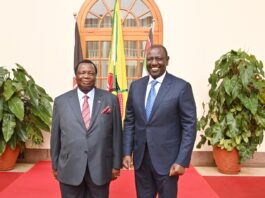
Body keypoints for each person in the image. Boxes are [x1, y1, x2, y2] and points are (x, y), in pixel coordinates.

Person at [123, 44, 197, 198]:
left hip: (168, 161)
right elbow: (129, 121)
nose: (154, 63)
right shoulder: (136, 86)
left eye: (158, 58)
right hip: (141, 159)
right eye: (150, 59)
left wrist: (182, 160)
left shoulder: (181, 87)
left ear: (167, 61)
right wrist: (126, 152)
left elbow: (189, 126)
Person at [50, 59, 123, 198]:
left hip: (101, 165)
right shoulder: (61, 101)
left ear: (96, 75)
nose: (86, 76)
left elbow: (117, 134)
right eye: (82, 72)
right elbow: (56, 136)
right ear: (76, 75)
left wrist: (116, 164)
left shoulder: (110, 100)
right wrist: (55, 164)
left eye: (90, 73)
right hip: (69, 166)